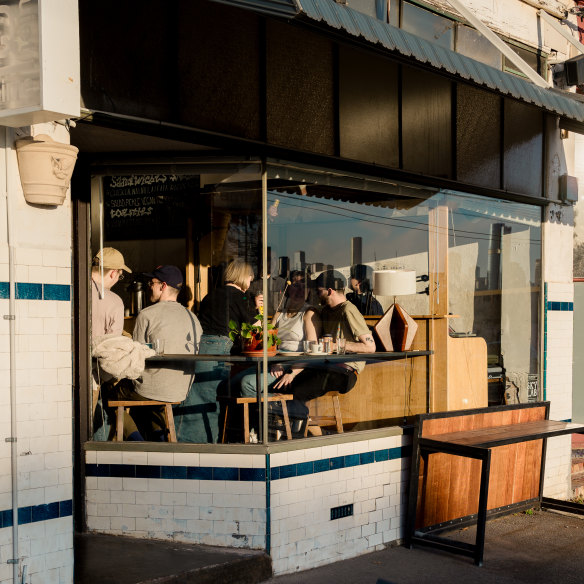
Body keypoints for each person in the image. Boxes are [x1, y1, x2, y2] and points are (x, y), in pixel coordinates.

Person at [271, 270, 376, 436]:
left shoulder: (348, 310)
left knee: (295, 392)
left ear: (330, 291)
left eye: (319, 290)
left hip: (345, 370)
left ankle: (305, 437)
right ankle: (312, 431)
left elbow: (370, 347)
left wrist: (337, 345)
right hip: (326, 366)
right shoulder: (326, 310)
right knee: (285, 387)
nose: (316, 294)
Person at [174, 258, 262, 443]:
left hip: (199, 347)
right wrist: (257, 309)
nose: (250, 283)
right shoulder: (241, 297)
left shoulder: (211, 295)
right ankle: (203, 446)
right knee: (207, 400)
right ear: (243, 277)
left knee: (193, 396)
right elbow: (256, 329)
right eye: (250, 278)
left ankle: (180, 440)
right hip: (218, 349)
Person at [113, 265, 202, 441]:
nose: (148, 286)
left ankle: (137, 442)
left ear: (162, 285)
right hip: (180, 390)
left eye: (151, 283)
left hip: (151, 388)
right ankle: (160, 441)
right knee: (153, 405)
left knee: (111, 394)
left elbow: (136, 361)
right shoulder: (193, 318)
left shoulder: (147, 314)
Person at [236, 272, 320, 399]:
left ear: (309, 291)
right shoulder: (279, 313)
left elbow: (312, 351)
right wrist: (257, 309)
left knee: (247, 384)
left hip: (293, 365)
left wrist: (291, 373)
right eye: (296, 285)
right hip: (272, 361)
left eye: (305, 286)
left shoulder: (309, 313)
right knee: (230, 383)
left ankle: (280, 409)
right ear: (289, 289)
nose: (300, 290)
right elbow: (265, 337)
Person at [91, 247, 131, 338]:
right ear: (113, 273)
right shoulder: (114, 301)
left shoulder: (74, 288)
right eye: (119, 276)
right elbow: (113, 344)